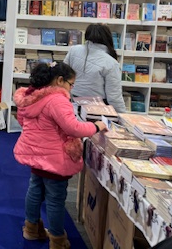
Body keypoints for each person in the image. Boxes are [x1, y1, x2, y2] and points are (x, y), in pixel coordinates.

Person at [14, 62, 106, 249]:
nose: (71, 89)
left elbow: (22, 120)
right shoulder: (57, 100)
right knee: (55, 199)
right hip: (55, 159)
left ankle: (31, 229)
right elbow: (73, 128)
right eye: (71, 84)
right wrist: (96, 126)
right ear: (60, 80)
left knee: (35, 190)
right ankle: (57, 240)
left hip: (36, 155)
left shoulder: (31, 96)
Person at [63, 24, 125, 113]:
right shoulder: (111, 63)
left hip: (71, 103)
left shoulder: (74, 50)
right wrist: (122, 115)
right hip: (97, 108)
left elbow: (62, 74)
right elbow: (114, 96)